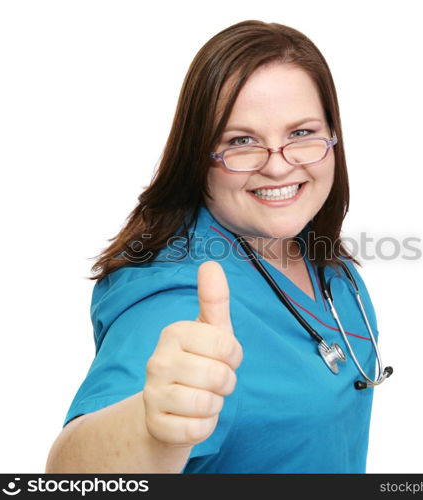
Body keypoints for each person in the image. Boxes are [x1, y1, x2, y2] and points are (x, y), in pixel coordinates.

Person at [45, 19, 385, 474]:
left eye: (301, 133)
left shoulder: (312, 250)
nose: (279, 166)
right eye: (240, 141)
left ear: (332, 137)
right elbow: (72, 474)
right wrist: (149, 426)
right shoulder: (177, 292)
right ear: (198, 154)